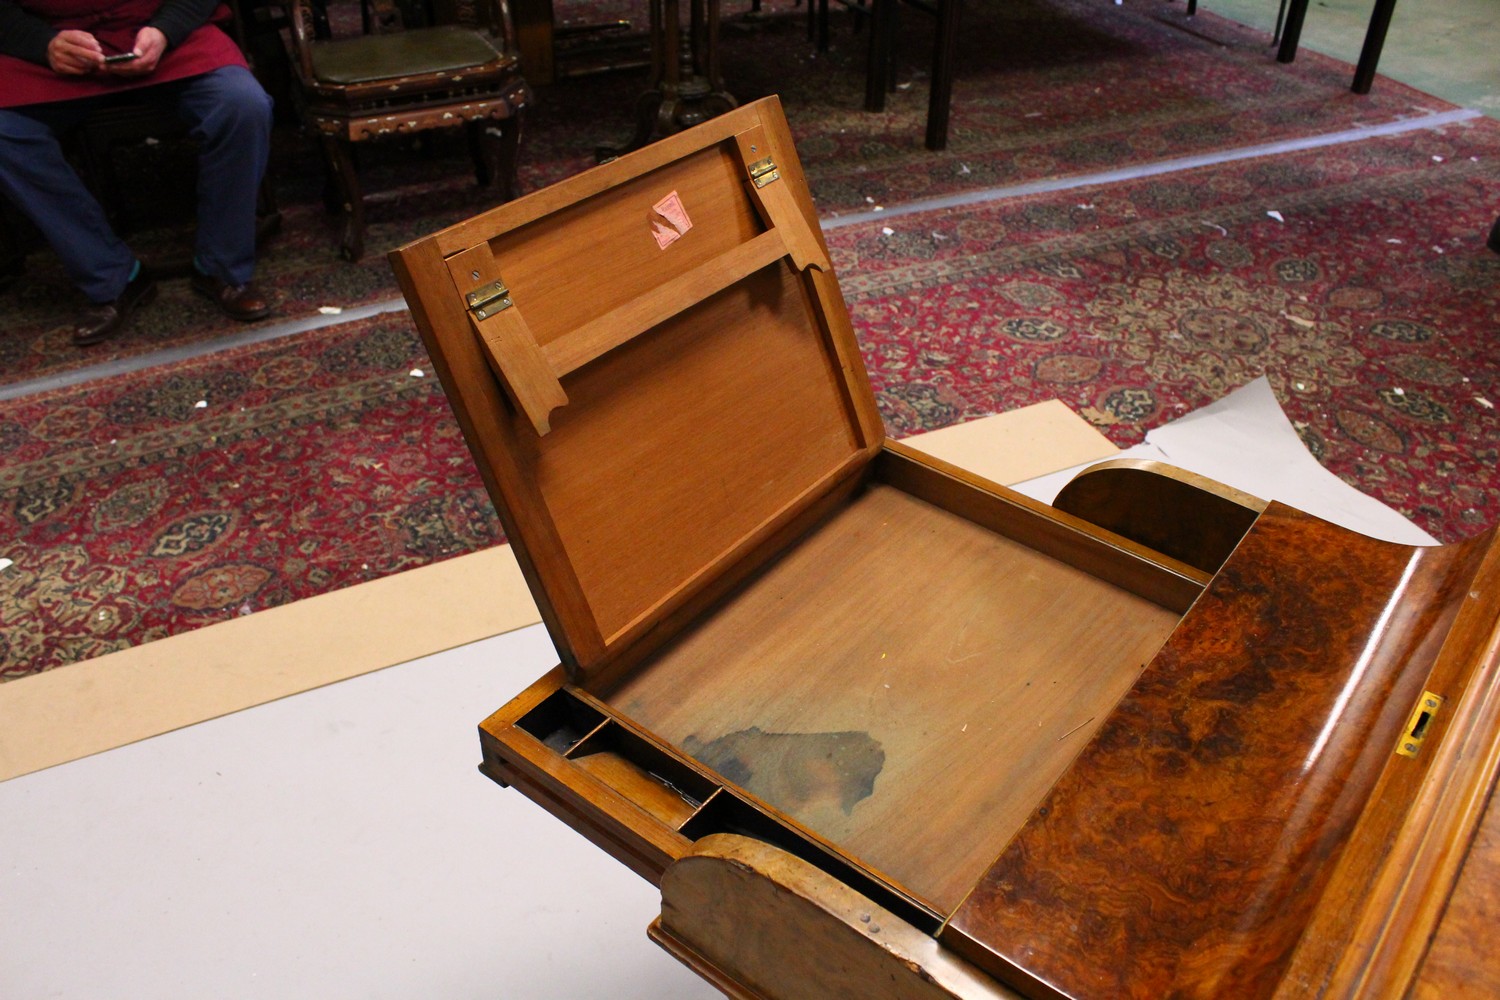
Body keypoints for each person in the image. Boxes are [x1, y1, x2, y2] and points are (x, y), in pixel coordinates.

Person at [0, 0, 273, 346]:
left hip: (164, 34)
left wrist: (165, 30)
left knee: (242, 106)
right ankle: (111, 275)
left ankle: (222, 266)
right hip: (55, 47)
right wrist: (43, 44)